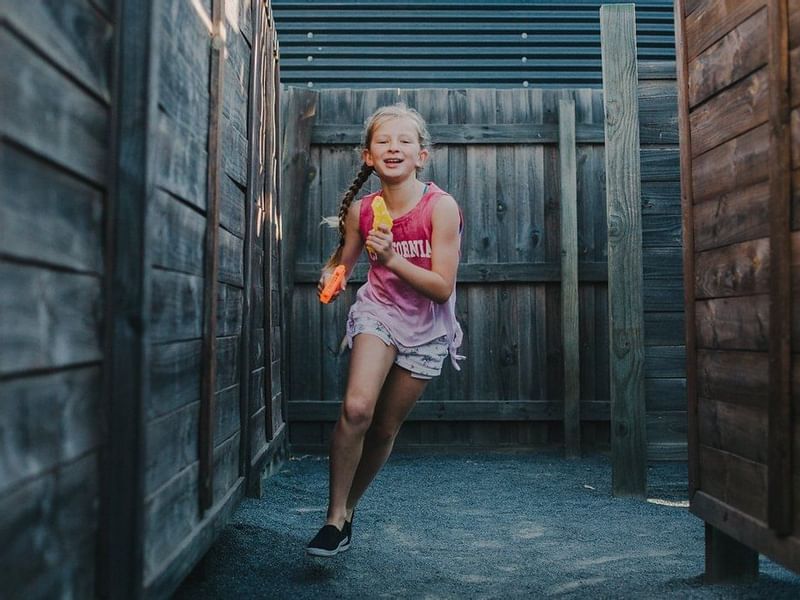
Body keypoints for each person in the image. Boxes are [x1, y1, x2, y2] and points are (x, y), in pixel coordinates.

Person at [305, 103, 464, 557]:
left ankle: (350, 510)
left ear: (422, 155)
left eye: (404, 141)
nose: (394, 147)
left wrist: (393, 258)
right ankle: (333, 519)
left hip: (429, 327)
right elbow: (345, 260)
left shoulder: (441, 208)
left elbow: (441, 288)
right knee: (357, 409)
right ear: (368, 156)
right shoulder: (363, 211)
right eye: (383, 141)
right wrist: (330, 274)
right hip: (379, 313)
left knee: (383, 428)